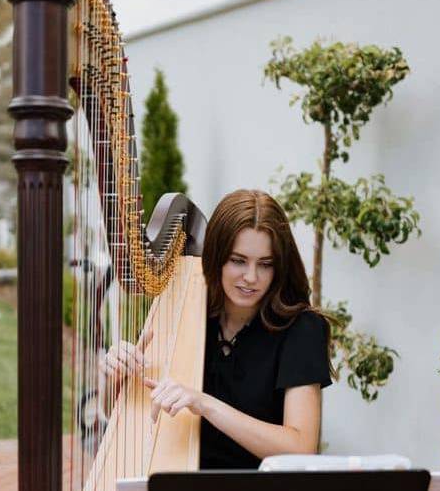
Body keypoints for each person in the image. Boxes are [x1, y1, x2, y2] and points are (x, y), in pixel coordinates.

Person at [100, 189, 334, 469]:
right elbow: (126, 419)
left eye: (265, 264)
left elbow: (300, 448)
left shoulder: (301, 330)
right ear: (216, 257)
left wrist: (206, 404)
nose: (251, 277)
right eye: (238, 260)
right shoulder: (184, 310)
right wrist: (115, 379)